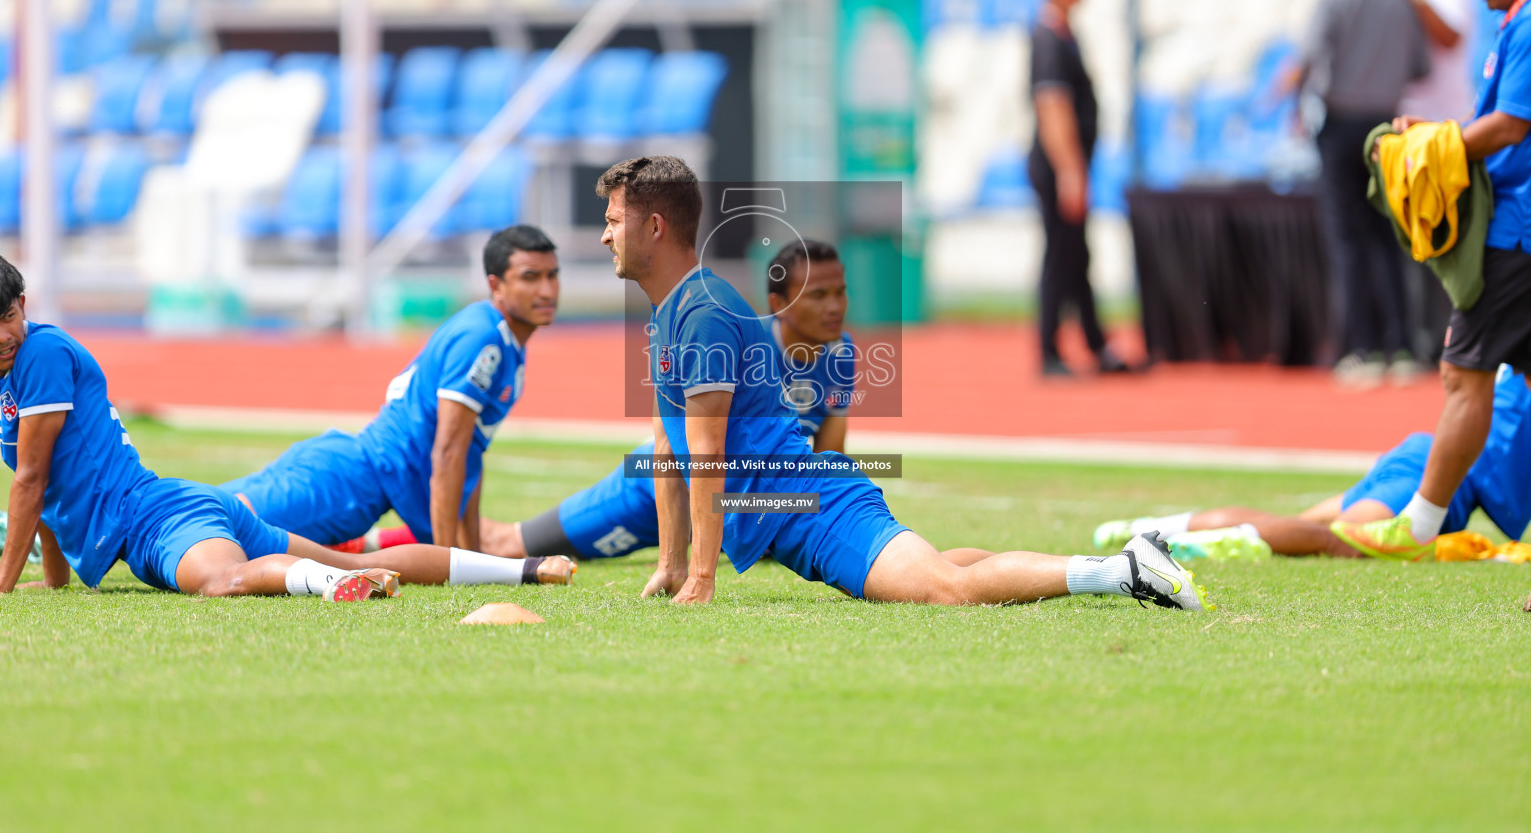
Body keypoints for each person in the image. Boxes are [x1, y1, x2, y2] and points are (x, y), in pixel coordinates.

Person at [597, 154, 1209, 610]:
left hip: (808, 506)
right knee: (940, 570)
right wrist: (672, 563)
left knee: (947, 591)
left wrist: (702, 577)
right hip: (790, 508)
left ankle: (1123, 570)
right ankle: (1120, 560)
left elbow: (704, 455)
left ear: (655, 227)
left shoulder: (703, 315)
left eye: (614, 220)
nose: (604, 235)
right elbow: (666, 451)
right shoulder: (670, 313)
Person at [0, 254, 575, 600]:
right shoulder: (12, 376)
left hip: (167, 517)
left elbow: (32, 479)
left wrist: (1, 587)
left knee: (229, 581)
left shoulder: (38, 356)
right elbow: (47, 492)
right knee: (350, 557)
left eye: (7, 317)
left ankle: (329, 585)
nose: (1, 334)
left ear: (24, 303)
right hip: (180, 507)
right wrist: (53, 580)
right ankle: (523, 570)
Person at [342, 239, 860, 561]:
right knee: (507, 546)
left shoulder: (841, 356)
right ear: (779, 303)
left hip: (725, 492)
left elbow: (829, 455)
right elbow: (698, 450)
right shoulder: (738, 340)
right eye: (817, 294)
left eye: (839, 292)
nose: (834, 306)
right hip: (655, 485)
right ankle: (363, 547)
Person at [1348, 0, 1531, 559]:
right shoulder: (1518, 18)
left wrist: (1434, 144)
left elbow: (1512, 125)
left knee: (1463, 374)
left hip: (1516, 231)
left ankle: (1418, 522)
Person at [220, 225, 564, 566]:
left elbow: (468, 453)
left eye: (553, 275)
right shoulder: (483, 338)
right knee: (209, 528)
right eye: (530, 277)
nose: (547, 290)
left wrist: (469, 555)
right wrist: (452, 564)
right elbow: (448, 452)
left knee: (207, 516)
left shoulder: (501, 340)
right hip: (344, 485)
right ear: (496, 285)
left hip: (349, 480)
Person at [1091, 364, 1530, 559]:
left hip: (1428, 462)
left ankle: (1147, 529)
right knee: (1335, 542)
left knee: (1298, 529)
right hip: (1435, 478)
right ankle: (1186, 545)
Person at [1295, 0, 1430, 385]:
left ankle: (1362, 347)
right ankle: (1404, 345)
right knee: (1388, 238)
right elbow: (1420, 66)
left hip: (1340, 123)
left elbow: (1310, 58)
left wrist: (1294, 104)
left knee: (1348, 241)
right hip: (1386, 126)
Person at [1028, 0, 1131, 379]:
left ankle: (1094, 342)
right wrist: (1070, 171)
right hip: (1059, 165)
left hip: (1067, 163)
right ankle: (1050, 350)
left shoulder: (1062, 32)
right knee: (1061, 256)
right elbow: (1053, 108)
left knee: (1076, 254)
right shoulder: (1050, 36)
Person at [1383, 0, 1474, 363]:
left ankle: (1446, 343)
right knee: (1414, 242)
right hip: (1414, 127)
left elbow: (1450, 37)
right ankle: (1421, 342)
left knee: (1443, 240)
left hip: (1445, 129)